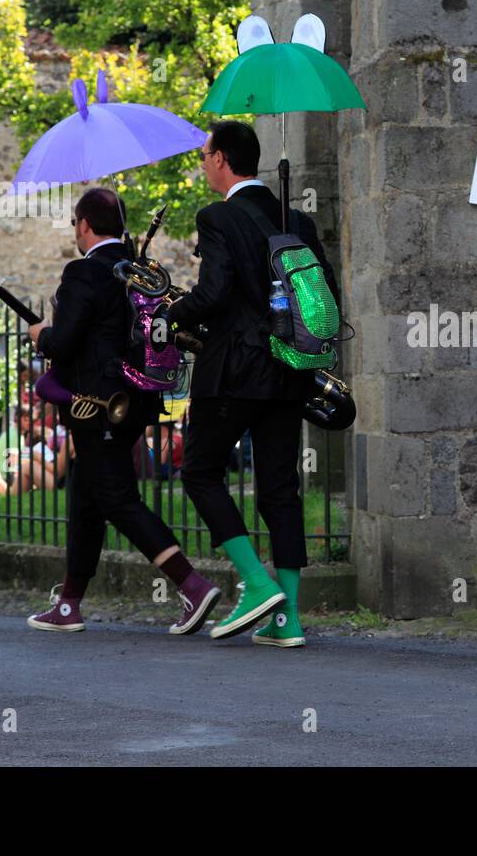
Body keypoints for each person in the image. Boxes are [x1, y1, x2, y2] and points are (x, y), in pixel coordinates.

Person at [166, 120, 340, 647]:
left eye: (204, 155)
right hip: (290, 370)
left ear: (221, 159)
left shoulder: (218, 216)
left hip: (235, 372)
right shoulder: (297, 221)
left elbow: (215, 293)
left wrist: (174, 311)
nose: (202, 163)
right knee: (280, 490)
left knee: (198, 471)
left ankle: (257, 582)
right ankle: (287, 620)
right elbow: (324, 291)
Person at [26, 187, 221, 635]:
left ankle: (191, 585)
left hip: (97, 405)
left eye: (76, 224)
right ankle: (70, 603)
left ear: (83, 226)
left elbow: (65, 341)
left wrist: (41, 335)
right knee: (87, 491)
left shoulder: (84, 272)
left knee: (115, 497)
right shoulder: (138, 271)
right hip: (138, 401)